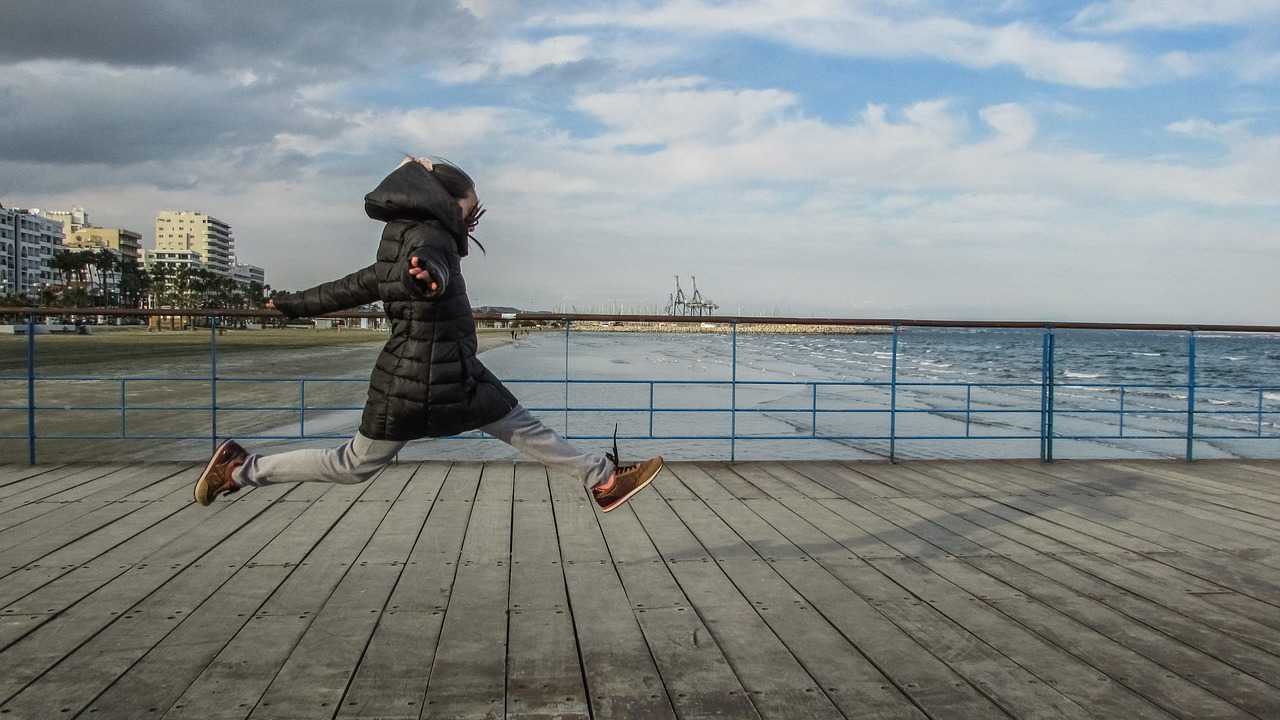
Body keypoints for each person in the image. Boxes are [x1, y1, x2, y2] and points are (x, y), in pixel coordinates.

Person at [193, 155, 662, 512]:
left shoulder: (402, 241)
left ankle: (602, 479)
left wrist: (292, 303)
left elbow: (347, 289)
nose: (471, 218)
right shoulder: (430, 239)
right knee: (353, 465)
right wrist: (430, 278)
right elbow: (430, 267)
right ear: (443, 204)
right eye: (469, 208)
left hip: (442, 369)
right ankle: (239, 469)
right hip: (427, 380)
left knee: (516, 427)